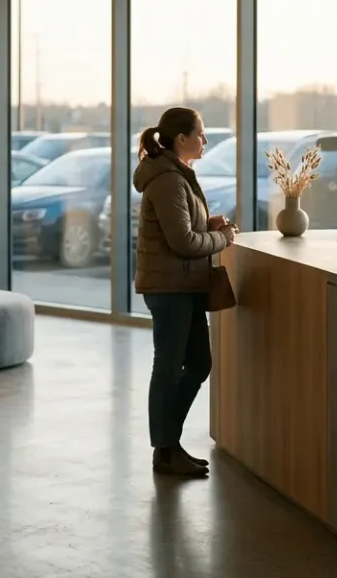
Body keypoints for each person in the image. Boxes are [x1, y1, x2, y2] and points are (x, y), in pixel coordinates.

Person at [133, 107, 237, 477]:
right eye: (200, 133)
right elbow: (182, 242)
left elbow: (182, 230)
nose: (205, 140)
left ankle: (168, 443)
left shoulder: (176, 174)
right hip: (170, 288)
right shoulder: (168, 180)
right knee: (169, 365)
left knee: (197, 363)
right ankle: (165, 450)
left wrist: (208, 225)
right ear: (182, 138)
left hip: (182, 285)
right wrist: (222, 238)